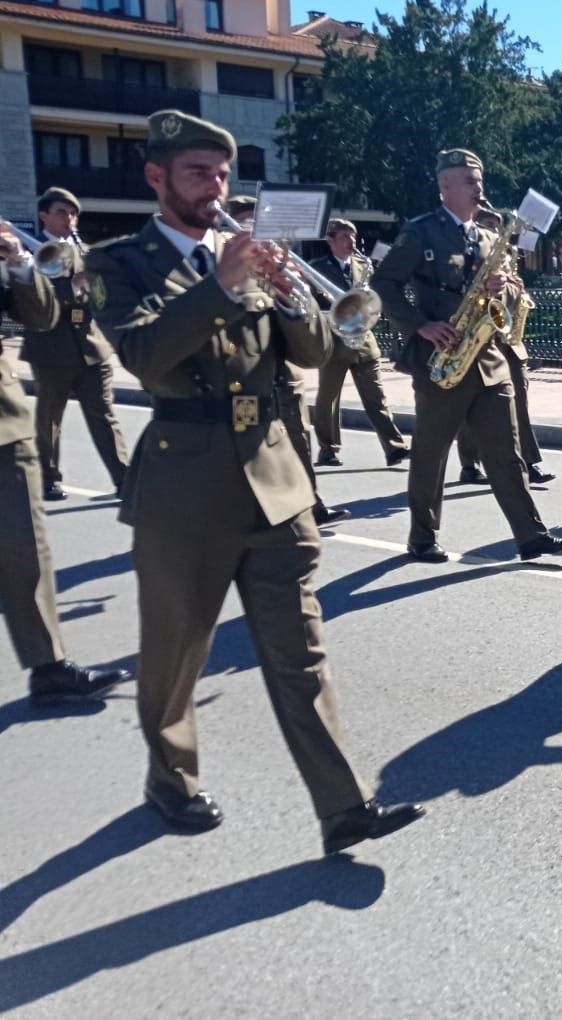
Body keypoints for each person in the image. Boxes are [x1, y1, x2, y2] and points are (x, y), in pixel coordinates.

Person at [84, 110, 422, 850]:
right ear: (157, 178)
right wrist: (224, 289)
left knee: (301, 654)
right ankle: (170, 778)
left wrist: (292, 293)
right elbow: (142, 355)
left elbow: (311, 354)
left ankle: (344, 807)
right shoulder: (119, 262)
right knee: (176, 653)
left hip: (274, 480)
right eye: (198, 174)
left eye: (222, 174)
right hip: (185, 485)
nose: (215, 188)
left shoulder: (248, 254)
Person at [370, 148, 562, 563]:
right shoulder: (422, 232)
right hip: (442, 357)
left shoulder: (488, 237)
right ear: (445, 186)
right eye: (468, 180)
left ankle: (531, 536)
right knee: (432, 451)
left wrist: (504, 288)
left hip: (488, 359)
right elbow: (384, 285)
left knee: (506, 453)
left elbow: (515, 292)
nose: (478, 187)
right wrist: (421, 325)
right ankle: (422, 535)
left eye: (479, 180)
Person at [0, 218, 132, 705]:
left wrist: (17, 264)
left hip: (3, 421)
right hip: (42, 377)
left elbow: (37, 316)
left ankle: (48, 666)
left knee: (23, 548)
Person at [226, 196, 348, 527]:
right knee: (253, 449)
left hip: (286, 371)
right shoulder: (224, 267)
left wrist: (291, 288)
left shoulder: (278, 261)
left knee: (299, 441)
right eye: (246, 223)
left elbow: (313, 343)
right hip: (246, 377)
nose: (255, 230)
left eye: (258, 222)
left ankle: (312, 506)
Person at [20, 187, 128, 499]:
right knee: (50, 416)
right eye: (61, 212)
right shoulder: (30, 252)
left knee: (104, 414)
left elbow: (104, 294)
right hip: (50, 348)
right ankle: (48, 477)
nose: (69, 218)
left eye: (73, 213)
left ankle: (124, 479)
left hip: (91, 346)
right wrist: (70, 287)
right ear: (44, 215)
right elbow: (34, 299)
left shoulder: (85, 250)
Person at [454, 214, 554, 489]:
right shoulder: (468, 256)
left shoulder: (506, 258)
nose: (496, 233)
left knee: (518, 403)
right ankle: (469, 464)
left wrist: (515, 288)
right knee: (470, 406)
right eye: (490, 228)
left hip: (509, 342)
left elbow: (510, 297)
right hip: (481, 341)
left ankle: (529, 464)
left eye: (498, 228)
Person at [308, 218, 409, 469]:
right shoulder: (315, 268)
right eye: (343, 237)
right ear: (330, 240)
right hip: (334, 341)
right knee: (327, 399)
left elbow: (373, 299)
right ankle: (328, 449)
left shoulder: (364, 265)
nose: (350, 242)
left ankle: (394, 447)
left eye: (352, 237)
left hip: (363, 341)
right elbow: (311, 305)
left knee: (377, 398)